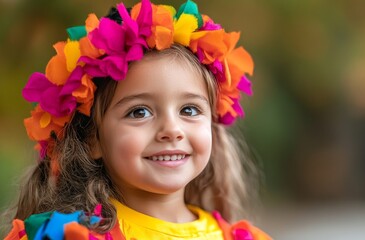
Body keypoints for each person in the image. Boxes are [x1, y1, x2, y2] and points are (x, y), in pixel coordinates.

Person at [4, 0, 271, 239]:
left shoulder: (245, 237)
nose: (171, 130)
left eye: (189, 110)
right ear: (92, 140)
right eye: (139, 112)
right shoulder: (67, 236)